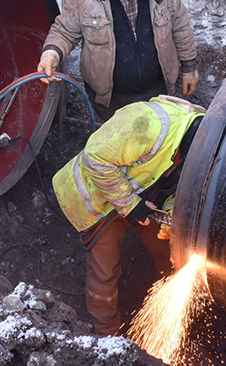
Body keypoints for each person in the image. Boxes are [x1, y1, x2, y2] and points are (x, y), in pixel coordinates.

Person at [51, 94, 205, 335]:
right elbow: (96, 159)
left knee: (168, 251)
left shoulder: (199, 150)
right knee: (105, 271)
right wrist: (132, 206)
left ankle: (173, 302)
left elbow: (180, 187)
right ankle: (108, 336)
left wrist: (171, 214)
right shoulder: (148, 123)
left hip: (141, 197)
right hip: (96, 199)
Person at [38, 0, 199, 120]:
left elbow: (181, 26)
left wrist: (189, 69)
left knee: (157, 141)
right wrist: (51, 54)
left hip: (158, 92)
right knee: (121, 143)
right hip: (111, 99)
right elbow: (64, 32)